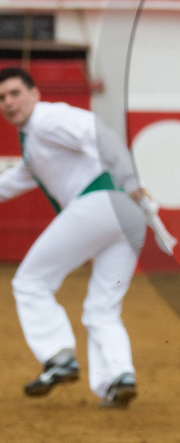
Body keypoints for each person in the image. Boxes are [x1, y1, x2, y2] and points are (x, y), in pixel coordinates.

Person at [0, 66, 148, 407]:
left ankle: (58, 356)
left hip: (100, 203)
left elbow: (100, 134)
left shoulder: (46, 119)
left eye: (15, 93)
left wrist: (130, 179)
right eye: (2, 97)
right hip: (127, 215)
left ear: (34, 94)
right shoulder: (34, 141)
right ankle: (118, 377)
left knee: (30, 281)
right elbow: (14, 180)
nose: (8, 102)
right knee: (102, 307)